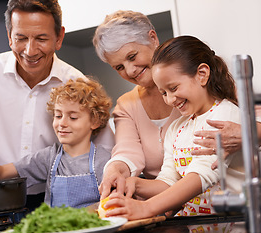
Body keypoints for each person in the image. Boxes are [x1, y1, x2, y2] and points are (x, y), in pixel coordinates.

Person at [0, 0, 114, 209]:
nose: (30, 51)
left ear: (59, 38)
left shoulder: (77, 84)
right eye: (21, 38)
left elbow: (106, 153)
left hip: (52, 204)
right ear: (9, 36)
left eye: (41, 38)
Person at [92, 10, 261, 199]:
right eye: (119, 67)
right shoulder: (126, 105)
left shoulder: (211, 93)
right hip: (169, 205)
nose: (130, 70)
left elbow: (259, 116)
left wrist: (246, 133)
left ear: (152, 38)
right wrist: (115, 170)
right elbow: (127, 152)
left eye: (132, 56)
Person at [102, 35, 244, 222]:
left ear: (202, 74)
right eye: (164, 93)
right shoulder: (177, 128)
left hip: (232, 225)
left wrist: (147, 208)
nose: (170, 100)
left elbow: (201, 174)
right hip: (195, 227)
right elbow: (168, 181)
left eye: (174, 88)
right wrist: (134, 184)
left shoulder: (226, 116)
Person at [0, 78, 112, 208]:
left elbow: (110, 202)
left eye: (73, 117)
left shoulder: (105, 161)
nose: (62, 123)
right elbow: (2, 173)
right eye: (58, 115)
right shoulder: (49, 157)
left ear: (95, 121)